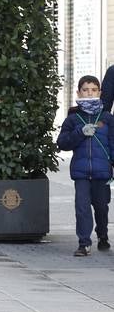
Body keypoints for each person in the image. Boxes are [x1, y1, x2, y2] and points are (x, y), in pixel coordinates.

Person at [59, 75, 114, 257]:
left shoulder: (107, 118)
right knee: (82, 207)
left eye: (93, 89)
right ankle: (84, 243)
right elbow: (63, 143)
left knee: (101, 206)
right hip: (81, 173)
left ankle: (103, 234)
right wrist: (80, 132)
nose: (89, 92)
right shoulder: (73, 118)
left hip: (102, 172)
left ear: (100, 93)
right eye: (85, 90)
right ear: (79, 93)